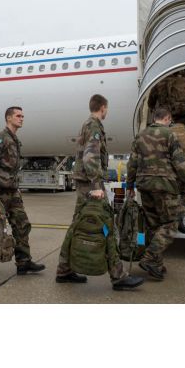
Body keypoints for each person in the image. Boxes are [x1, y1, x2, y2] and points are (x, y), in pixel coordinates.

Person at [56, 94, 144, 291]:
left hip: (84, 182)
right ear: (103, 107)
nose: (107, 111)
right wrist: (97, 185)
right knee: (105, 225)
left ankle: (63, 269)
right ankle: (118, 276)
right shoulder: (94, 126)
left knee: (77, 226)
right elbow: (89, 158)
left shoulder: (87, 124)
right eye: (107, 108)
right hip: (90, 184)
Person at [126, 107, 185, 281]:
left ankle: (156, 264)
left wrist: (130, 186)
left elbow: (132, 163)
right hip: (164, 185)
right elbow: (181, 165)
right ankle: (149, 258)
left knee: (154, 226)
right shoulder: (170, 134)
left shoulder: (140, 136)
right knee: (171, 224)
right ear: (167, 118)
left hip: (144, 185)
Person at [0, 106, 45, 276]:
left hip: (12, 191)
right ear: (9, 118)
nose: (22, 118)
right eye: (18, 115)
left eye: (23, 115)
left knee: (22, 225)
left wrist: (16, 187)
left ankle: (23, 262)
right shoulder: (0, 137)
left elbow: (12, 169)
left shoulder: (15, 140)